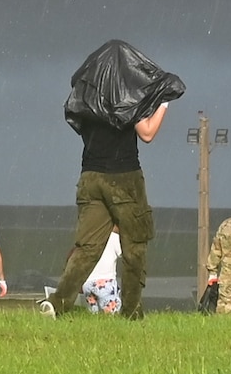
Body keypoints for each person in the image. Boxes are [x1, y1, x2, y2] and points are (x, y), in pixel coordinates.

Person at [42, 101, 170, 320]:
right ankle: (130, 311)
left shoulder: (88, 97)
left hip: (89, 176)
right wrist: (162, 104)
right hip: (123, 176)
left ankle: (58, 303)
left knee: (87, 246)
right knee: (134, 246)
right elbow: (147, 133)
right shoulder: (127, 97)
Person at [80, 228, 122, 314]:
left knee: (93, 313)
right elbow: (122, 253)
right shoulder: (113, 237)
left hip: (88, 282)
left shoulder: (91, 235)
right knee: (112, 314)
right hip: (105, 283)